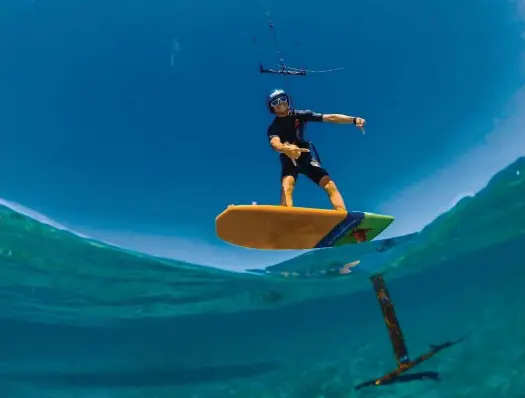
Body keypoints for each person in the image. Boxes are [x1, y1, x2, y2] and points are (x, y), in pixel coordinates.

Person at [266, 88, 366, 211]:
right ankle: (286, 217)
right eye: (275, 102)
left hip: (306, 155)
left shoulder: (301, 115)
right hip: (288, 158)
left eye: (283, 99)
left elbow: (331, 118)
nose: (280, 103)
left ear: (287, 100)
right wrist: (285, 149)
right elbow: (274, 143)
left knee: (329, 183)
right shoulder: (273, 127)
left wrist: (354, 120)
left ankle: (342, 216)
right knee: (287, 186)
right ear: (272, 108)